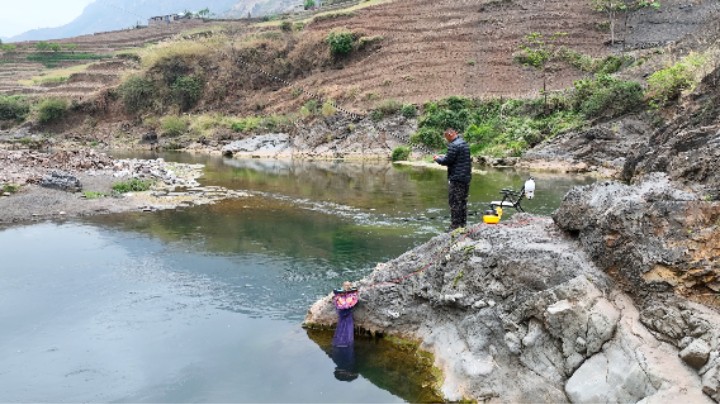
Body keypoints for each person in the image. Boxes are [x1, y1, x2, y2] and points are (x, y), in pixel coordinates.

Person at [433, 128, 472, 231]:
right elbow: (456, 158)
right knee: (462, 202)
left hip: (456, 178)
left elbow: (447, 161)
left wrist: (437, 159)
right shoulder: (463, 143)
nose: (446, 140)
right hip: (466, 178)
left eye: (446, 138)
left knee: (454, 202)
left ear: (450, 134)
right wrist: (443, 156)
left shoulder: (453, 145)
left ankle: (454, 227)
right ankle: (462, 224)